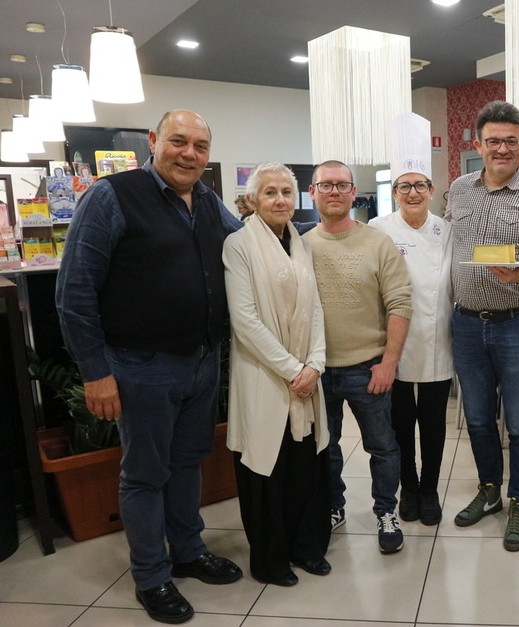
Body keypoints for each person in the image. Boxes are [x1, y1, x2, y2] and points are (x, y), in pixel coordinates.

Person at [56, 110, 243, 624]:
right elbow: (74, 292)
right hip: (140, 366)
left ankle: (188, 551)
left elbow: (250, 246)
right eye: (179, 141)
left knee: (187, 464)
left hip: (202, 362)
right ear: (154, 141)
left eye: (200, 146)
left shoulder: (208, 201)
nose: (189, 154)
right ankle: (151, 576)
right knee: (144, 475)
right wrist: (95, 372)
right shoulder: (111, 196)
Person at [447, 100, 519, 551]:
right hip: (466, 324)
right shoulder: (459, 190)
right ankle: (490, 490)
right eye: (493, 141)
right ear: (479, 145)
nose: (501, 149)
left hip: (518, 325)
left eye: (510, 142)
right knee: (477, 419)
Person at [223, 162, 332, 585]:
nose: (280, 200)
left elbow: (315, 307)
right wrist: (293, 369)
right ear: (253, 200)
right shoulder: (238, 245)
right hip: (265, 374)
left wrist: (316, 364)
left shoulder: (300, 244)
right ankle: (270, 560)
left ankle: (306, 546)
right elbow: (245, 320)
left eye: (286, 192)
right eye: (270, 192)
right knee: (268, 466)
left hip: (306, 376)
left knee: (303, 465)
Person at [302, 160, 412, 554]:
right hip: (317, 369)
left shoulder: (378, 243)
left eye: (341, 185)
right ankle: (334, 506)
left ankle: (386, 512)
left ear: (353, 192)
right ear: (312, 192)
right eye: (325, 185)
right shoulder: (300, 245)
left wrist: (389, 363)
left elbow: (400, 303)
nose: (333, 191)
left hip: (368, 367)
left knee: (382, 447)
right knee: (326, 447)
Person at [369, 113, 453, 526]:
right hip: (394, 344)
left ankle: (430, 488)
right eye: (405, 186)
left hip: (439, 339)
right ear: (395, 192)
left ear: (432, 190)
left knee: (434, 423)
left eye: (420, 185)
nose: (413, 192)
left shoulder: (448, 230)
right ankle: (408, 486)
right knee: (400, 423)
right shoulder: (376, 229)